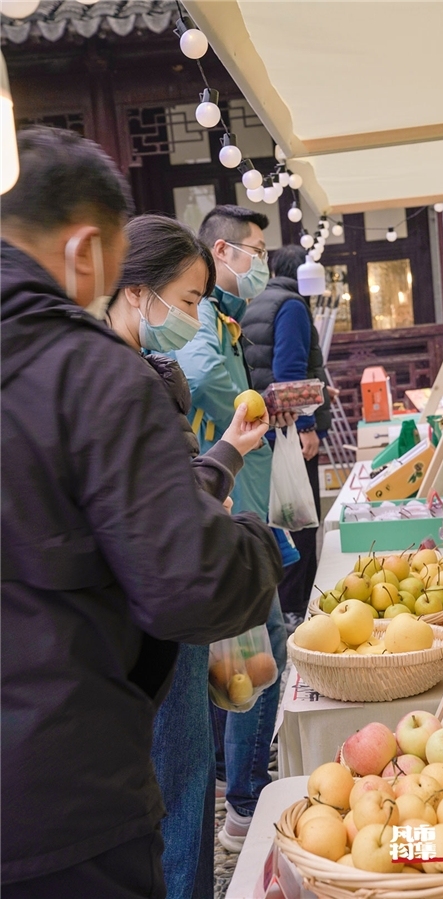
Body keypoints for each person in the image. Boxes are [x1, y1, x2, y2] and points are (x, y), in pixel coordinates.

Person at [1, 128, 282, 898]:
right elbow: (189, 582)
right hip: (67, 793)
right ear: (88, 247)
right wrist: (254, 546)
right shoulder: (92, 371)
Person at [106, 213, 268, 899]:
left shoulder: (126, 373)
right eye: (192, 299)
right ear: (138, 291)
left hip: (149, 635)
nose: (196, 316)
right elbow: (162, 523)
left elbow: (162, 500)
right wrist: (244, 542)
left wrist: (225, 451)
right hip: (160, 631)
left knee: (180, 793)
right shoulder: (125, 383)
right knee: (177, 801)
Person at [173, 205, 288, 853]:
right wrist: (255, 411)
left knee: (242, 658)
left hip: (233, 500)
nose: (262, 263)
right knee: (257, 648)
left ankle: (237, 789)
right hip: (219, 508)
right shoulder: (195, 322)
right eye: (255, 250)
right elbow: (207, 378)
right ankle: (243, 798)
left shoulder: (220, 316)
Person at [243, 243, 332, 634]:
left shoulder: (256, 301)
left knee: (278, 516)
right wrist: (308, 428)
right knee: (298, 519)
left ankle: (284, 606)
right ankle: (295, 609)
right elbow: (290, 370)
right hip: (290, 429)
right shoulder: (292, 306)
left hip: (266, 427)